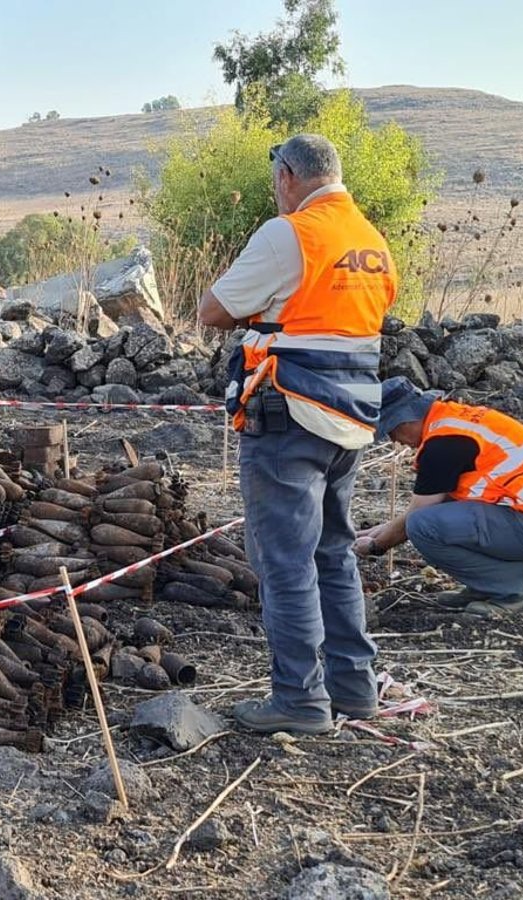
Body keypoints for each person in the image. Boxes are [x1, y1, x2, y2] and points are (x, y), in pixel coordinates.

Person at [198, 134, 398, 734]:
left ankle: (299, 699)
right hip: (350, 418)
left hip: (288, 418)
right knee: (332, 552)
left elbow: (213, 310)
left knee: (285, 562)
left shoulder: (290, 233)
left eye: (275, 181)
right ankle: (356, 689)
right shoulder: (371, 240)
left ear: (287, 175)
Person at [356, 377, 523, 617]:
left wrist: (374, 546)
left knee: (422, 526)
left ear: (406, 418)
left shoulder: (441, 446)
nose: (394, 440)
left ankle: (516, 590)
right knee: (440, 514)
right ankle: (488, 585)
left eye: (391, 430)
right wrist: (371, 532)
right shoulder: (452, 422)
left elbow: (415, 518)